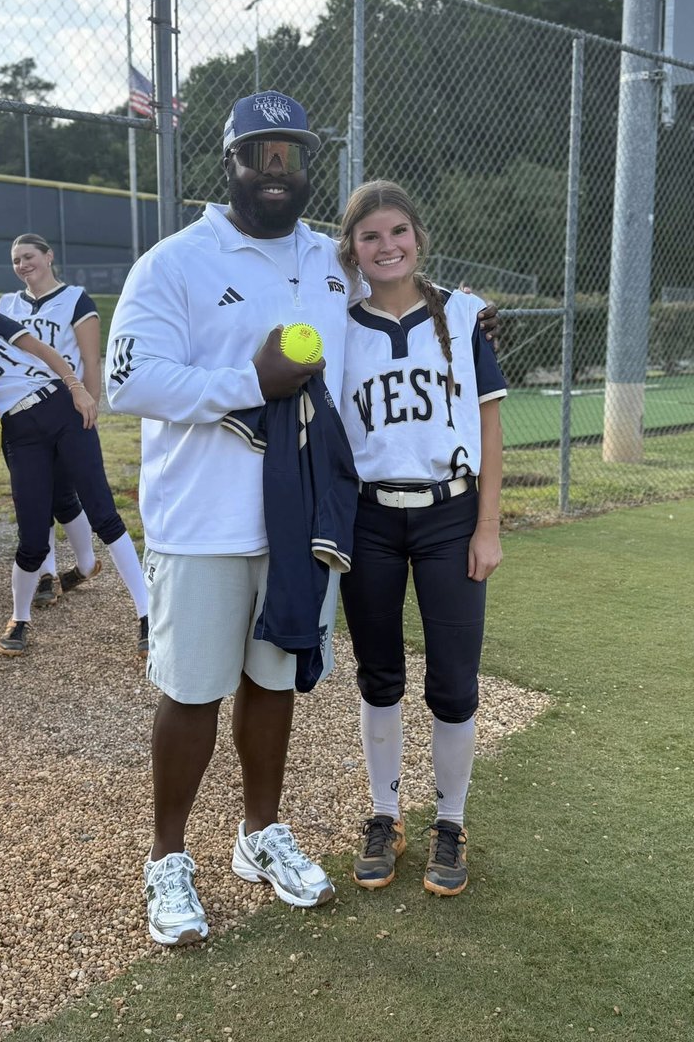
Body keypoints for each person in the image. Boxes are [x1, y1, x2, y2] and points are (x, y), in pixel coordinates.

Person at [106, 91, 501, 945]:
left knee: (273, 682)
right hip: (202, 518)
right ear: (232, 164)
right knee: (191, 691)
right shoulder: (173, 261)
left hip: (303, 522)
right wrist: (248, 383)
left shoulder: (331, 258)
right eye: (260, 155)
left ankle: (259, 834)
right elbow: (128, 381)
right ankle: (167, 857)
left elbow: (398, 280)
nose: (276, 172)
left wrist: (463, 307)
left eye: (290, 156)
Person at [336, 180, 507, 897]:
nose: (386, 246)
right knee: (379, 675)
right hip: (368, 517)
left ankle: (450, 822)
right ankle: (383, 814)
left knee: (454, 682)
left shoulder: (462, 316)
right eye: (369, 236)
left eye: (397, 231)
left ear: (418, 237)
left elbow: (492, 428)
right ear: (351, 248)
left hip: (449, 517)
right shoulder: (337, 320)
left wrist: (489, 527)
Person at [0, 228, 148, 657]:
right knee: (33, 535)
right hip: (17, 432)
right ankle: (19, 617)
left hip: (57, 406)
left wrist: (78, 388)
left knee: (103, 512)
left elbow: (40, 348)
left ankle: (147, 615)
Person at [0, 234, 149, 654]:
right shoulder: (8, 305)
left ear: (48, 257)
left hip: (66, 407)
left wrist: (89, 402)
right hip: (20, 419)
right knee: (38, 508)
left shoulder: (74, 299)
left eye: (29, 256)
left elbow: (90, 358)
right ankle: (30, 603)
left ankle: (146, 612)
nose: (22, 265)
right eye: (15, 260)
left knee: (99, 508)